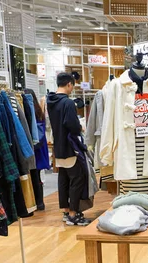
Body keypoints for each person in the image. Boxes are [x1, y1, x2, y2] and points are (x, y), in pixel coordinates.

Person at [47, 72, 91, 226]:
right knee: (77, 179)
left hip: (58, 148)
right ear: (69, 84)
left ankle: (66, 210)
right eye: (72, 85)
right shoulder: (67, 103)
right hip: (70, 147)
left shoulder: (50, 101)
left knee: (63, 180)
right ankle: (73, 213)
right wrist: (80, 127)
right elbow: (72, 126)